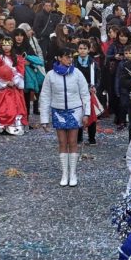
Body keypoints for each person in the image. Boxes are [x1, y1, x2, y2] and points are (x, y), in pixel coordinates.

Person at [40, 45, 91, 187]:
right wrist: (44, 119)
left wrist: (86, 113)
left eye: (71, 57)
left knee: (73, 141)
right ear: (59, 58)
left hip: (75, 110)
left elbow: (85, 94)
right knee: (62, 142)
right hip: (58, 110)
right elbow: (45, 96)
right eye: (67, 57)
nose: (70, 60)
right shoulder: (50, 75)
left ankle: (73, 172)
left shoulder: (77, 74)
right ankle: (64, 173)